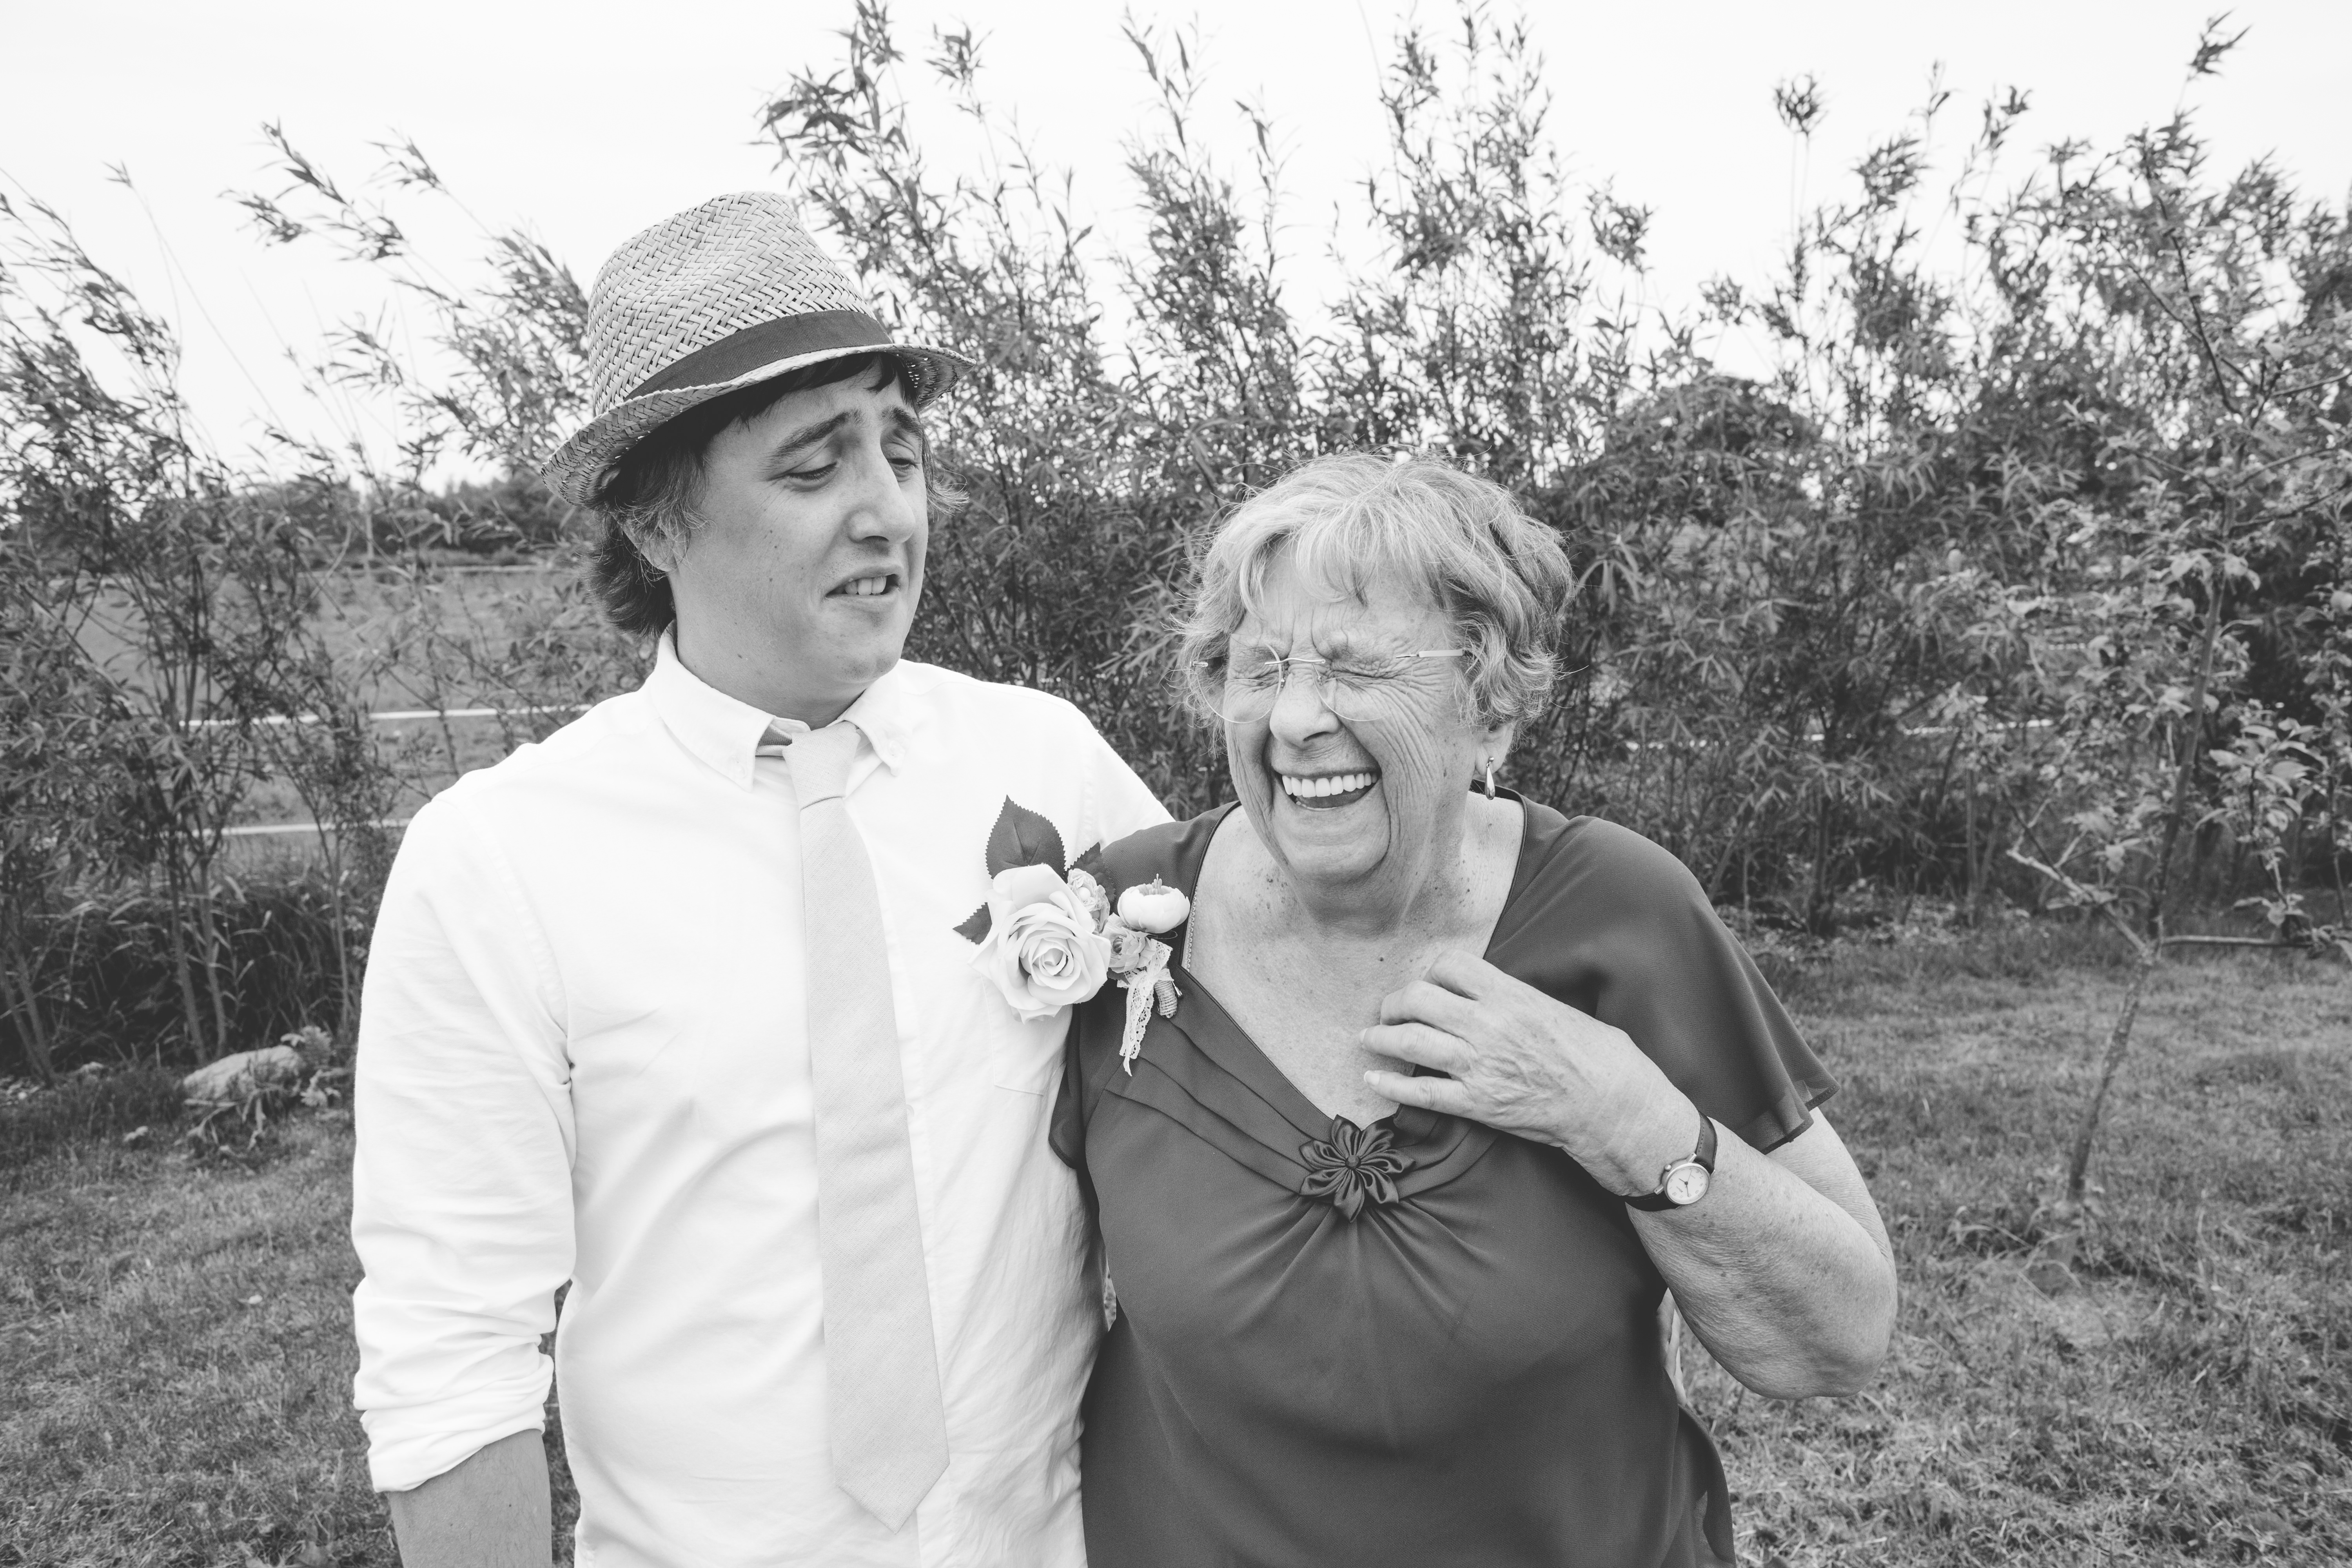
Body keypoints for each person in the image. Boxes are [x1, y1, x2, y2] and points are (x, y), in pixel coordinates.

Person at [350, 192, 1167, 1568]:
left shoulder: (1046, 761)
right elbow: (452, 1351)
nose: (886, 512)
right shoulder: (498, 861)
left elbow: (1239, 1049)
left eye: (900, 453)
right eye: (813, 468)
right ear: (655, 519)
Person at [1053, 454, 1898, 1567]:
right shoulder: (1114, 930)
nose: (1297, 717)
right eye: (1261, 669)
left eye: (1359, 669)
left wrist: (1623, 1118)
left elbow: (1836, 1341)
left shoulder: (1620, 914)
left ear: (1488, 711)